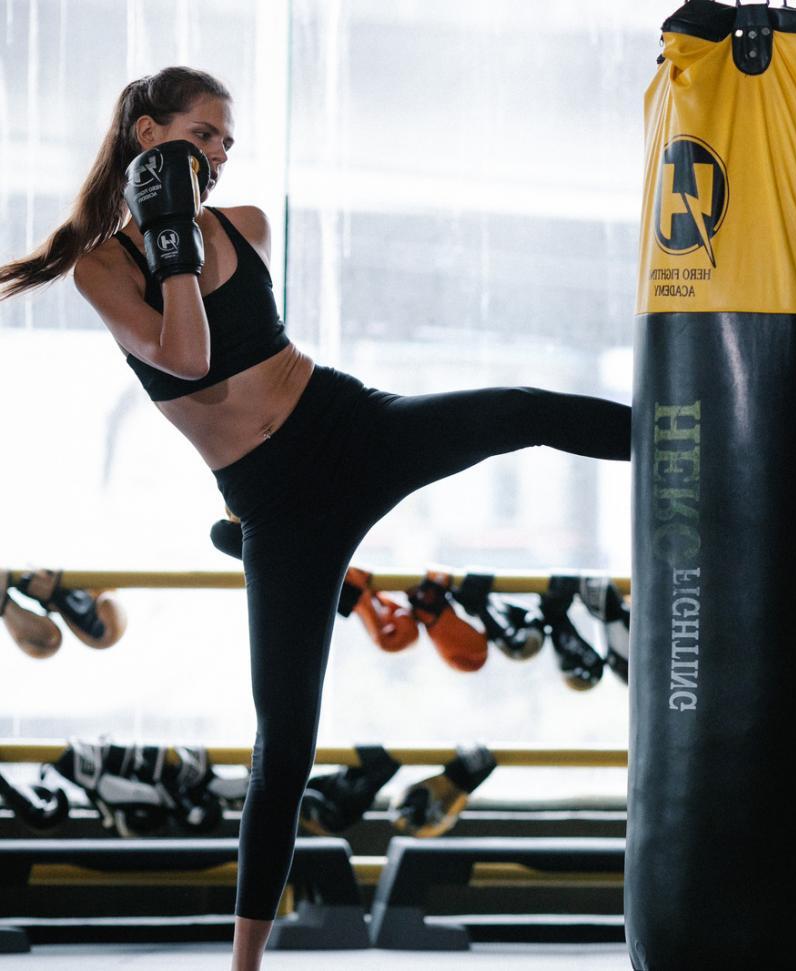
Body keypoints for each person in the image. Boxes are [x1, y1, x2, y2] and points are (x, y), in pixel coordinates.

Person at [0, 66, 631, 971]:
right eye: (203, 135)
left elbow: (230, 349)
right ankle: (245, 964)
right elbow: (189, 357)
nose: (219, 155)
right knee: (285, 743)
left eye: (227, 143)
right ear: (147, 135)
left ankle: (695, 447)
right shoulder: (101, 265)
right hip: (279, 504)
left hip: (351, 427)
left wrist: (186, 224)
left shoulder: (245, 225)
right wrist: (169, 238)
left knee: (520, 411)